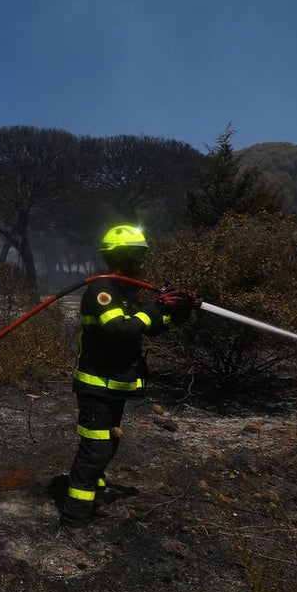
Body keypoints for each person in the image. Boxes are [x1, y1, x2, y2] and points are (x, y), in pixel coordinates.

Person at [58, 225, 197, 529]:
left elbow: (146, 326)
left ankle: (93, 500)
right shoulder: (102, 290)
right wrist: (153, 307)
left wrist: (176, 317)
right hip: (96, 387)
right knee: (95, 451)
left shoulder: (125, 292)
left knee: (106, 447)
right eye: (139, 256)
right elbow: (121, 331)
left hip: (113, 387)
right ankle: (74, 522)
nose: (143, 264)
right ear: (126, 256)